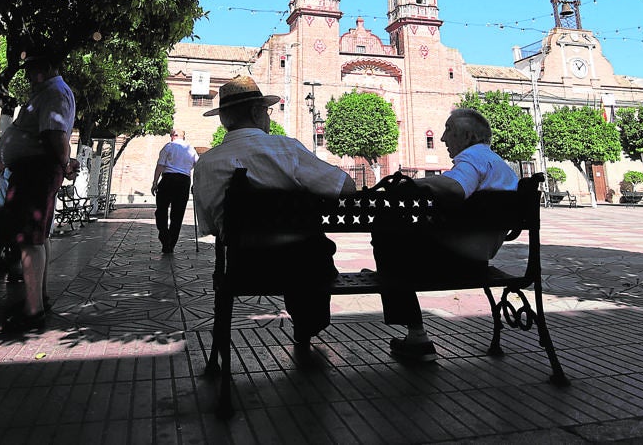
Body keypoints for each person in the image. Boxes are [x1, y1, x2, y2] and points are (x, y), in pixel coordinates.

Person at [193, 76, 356, 346]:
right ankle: (308, 324)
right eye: (266, 111)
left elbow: (210, 227)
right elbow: (346, 188)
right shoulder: (287, 149)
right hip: (307, 267)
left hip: (244, 269)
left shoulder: (206, 164)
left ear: (224, 120)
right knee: (306, 251)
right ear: (257, 113)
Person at [372, 108, 519, 362]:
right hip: (478, 261)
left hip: (453, 261)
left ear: (468, 136)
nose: (442, 138)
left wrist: (415, 183)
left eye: (449, 129)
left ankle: (416, 335)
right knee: (395, 241)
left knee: (386, 231)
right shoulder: (499, 165)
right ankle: (389, 282)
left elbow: (457, 188)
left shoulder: (473, 158)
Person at [0, 53, 78, 331]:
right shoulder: (48, 92)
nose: (29, 74)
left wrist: (65, 163)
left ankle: (33, 309)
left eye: (33, 68)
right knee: (38, 236)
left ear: (48, 66)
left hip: (36, 170)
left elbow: (55, 134)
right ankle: (37, 298)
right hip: (34, 169)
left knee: (31, 239)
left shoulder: (55, 93)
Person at [152, 129, 198, 253]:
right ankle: (171, 243)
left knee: (161, 210)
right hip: (184, 181)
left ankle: (164, 237)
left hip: (168, 179)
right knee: (178, 214)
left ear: (173, 136)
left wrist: (155, 182)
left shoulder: (169, 146)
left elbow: (160, 165)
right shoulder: (191, 149)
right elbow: (197, 166)